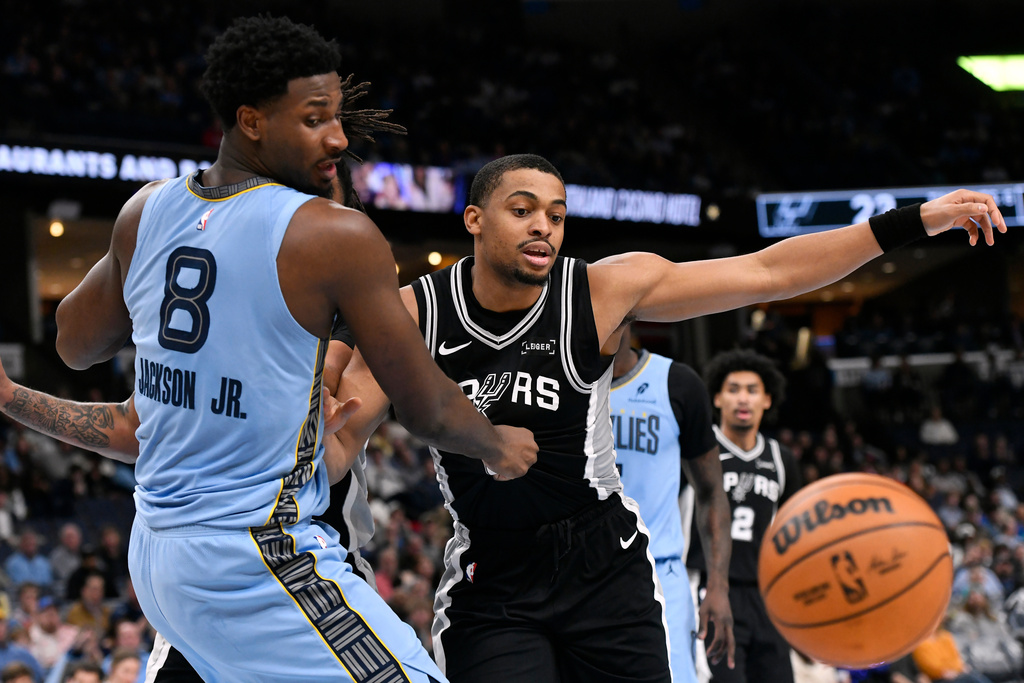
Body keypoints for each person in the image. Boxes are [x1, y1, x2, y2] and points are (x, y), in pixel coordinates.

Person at [332, 152, 1005, 682]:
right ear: (474, 220)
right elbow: (343, 435)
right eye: (522, 209)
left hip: (604, 565)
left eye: (558, 214)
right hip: (494, 576)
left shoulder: (599, 291)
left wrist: (910, 220)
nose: (544, 225)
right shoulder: (413, 312)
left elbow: (769, 271)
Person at [52, 15, 543, 682]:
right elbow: (427, 409)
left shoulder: (146, 210)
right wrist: (498, 446)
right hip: (255, 557)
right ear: (251, 120)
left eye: (338, 116)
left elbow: (74, 343)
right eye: (315, 119)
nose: (338, 137)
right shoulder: (333, 235)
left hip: (158, 556)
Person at [609, 325, 733, 682]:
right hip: (578, 577)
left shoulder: (676, 383)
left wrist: (718, 587)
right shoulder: (557, 383)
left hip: (658, 571)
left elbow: (711, 491)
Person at [687, 349, 801, 683]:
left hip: (766, 596)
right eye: (733, 389)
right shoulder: (696, 450)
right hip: (711, 589)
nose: (743, 398)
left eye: (752, 390)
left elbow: (795, 534)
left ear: (767, 399)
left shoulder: (782, 459)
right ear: (717, 398)